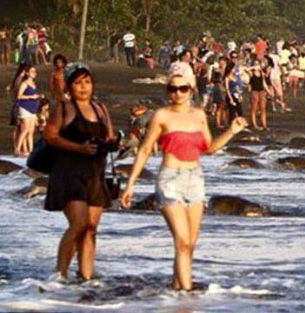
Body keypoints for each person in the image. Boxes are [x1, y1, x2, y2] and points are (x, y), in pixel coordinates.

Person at [120, 67, 248, 291]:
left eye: (183, 88)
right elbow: (144, 150)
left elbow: (208, 148)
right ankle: (188, 298)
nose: (177, 93)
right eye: (173, 88)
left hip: (195, 180)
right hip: (170, 181)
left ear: (191, 89)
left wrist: (231, 131)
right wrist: (130, 185)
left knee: (190, 245)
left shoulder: (199, 115)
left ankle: (176, 290)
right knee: (182, 241)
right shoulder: (162, 115)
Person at [44, 62, 117, 281]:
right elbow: (51, 136)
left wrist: (112, 144)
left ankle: (86, 276)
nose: (83, 87)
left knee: (91, 228)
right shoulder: (64, 109)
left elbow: (110, 136)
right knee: (78, 224)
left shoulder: (100, 108)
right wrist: (79, 148)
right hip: (68, 173)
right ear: (69, 86)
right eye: (78, 83)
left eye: (87, 82)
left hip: (95, 173)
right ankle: (60, 274)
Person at [14, 65, 41, 156]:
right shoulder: (24, 83)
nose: (34, 73)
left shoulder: (34, 84)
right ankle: (17, 148)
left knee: (31, 131)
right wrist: (30, 97)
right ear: (27, 73)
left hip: (33, 108)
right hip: (25, 107)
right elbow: (19, 96)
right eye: (32, 71)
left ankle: (31, 150)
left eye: (35, 72)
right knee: (25, 129)